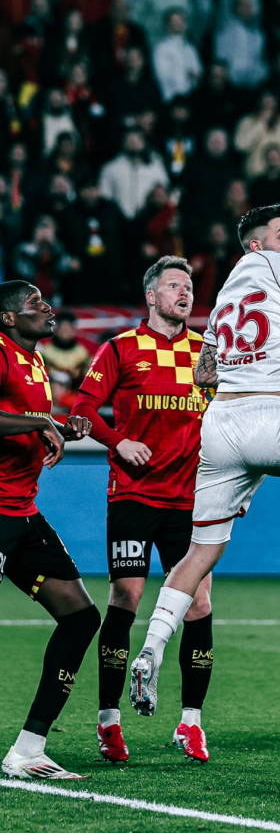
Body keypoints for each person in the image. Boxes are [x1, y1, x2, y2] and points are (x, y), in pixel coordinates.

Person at [128, 205, 280, 717]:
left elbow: (204, 374)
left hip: (220, 425)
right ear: (258, 245)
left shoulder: (224, 297)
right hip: (272, 420)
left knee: (200, 552)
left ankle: (151, 647)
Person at [71, 257, 212, 764]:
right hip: (133, 494)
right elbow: (82, 410)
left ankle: (191, 723)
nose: (184, 293)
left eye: (189, 286)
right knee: (126, 597)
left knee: (199, 605)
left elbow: (229, 413)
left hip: (191, 499)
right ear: (151, 296)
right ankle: (109, 719)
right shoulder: (121, 348)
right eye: (174, 285)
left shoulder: (206, 353)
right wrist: (119, 442)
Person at [0, 281, 100, 780]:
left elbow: (23, 420)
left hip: (21, 512)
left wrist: (58, 424)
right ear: (8, 319)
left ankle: (28, 749)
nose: (46, 307)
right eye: (33, 303)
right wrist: (41, 423)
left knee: (81, 617)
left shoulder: (35, 359)